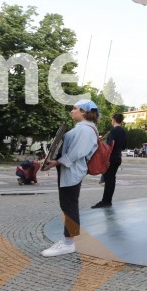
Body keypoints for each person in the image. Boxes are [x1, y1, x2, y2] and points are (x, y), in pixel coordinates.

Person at [40, 99, 99, 257]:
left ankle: (68, 243)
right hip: (69, 169)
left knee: (69, 206)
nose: (72, 111)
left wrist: (56, 162)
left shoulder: (86, 130)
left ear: (84, 112)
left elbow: (77, 152)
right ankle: (68, 241)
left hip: (73, 171)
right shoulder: (82, 128)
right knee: (68, 205)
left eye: (75, 108)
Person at [92, 113, 128, 209]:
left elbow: (109, 145)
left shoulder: (113, 131)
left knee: (108, 180)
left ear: (114, 120)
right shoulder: (123, 131)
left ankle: (106, 201)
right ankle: (108, 200)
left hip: (111, 157)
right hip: (118, 157)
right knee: (111, 179)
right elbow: (124, 146)